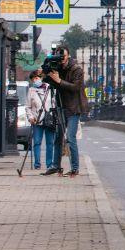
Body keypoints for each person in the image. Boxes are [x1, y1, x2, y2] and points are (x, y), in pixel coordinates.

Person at [42, 46, 88, 178]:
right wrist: (47, 73)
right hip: (61, 106)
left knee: (71, 138)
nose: (61, 59)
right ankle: (56, 166)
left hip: (73, 108)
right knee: (58, 137)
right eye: (59, 56)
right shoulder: (57, 67)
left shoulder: (76, 69)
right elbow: (51, 83)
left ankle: (75, 168)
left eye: (63, 56)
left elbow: (75, 87)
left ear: (68, 56)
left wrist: (59, 80)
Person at [26, 70, 57, 172]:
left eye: (37, 77)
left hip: (49, 119)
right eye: (33, 78)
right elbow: (28, 107)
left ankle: (49, 164)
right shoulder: (31, 90)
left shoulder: (50, 88)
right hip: (37, 120)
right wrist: (30, 117)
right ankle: (37, 164)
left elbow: (54, 103)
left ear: (41, 77)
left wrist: (54, 115)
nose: (36, 80)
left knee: (50, 143)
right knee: (37, 142)